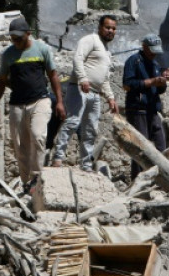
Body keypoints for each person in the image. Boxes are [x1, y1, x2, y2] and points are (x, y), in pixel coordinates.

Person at [0, 15, 65, 191]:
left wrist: (59, 102)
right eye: (12, 39)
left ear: (28, 34)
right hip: (17, 104)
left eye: (19, 38)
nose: (15, 42)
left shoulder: (42, 49)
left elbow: (53, 75)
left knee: (38, 136)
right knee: (20, 145)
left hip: (40, 100)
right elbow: (1, 81)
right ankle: (25, 181)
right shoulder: (8, 55)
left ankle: (36, 179)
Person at [51, 15, 119, 171]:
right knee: (73, 122)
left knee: (91, 129)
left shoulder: (106, 51)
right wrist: (83, 79)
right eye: (108, 27)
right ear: (100, 27)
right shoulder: (90, 40)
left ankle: (86, 164)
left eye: (113, 29)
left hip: (95, 94)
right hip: (79, 88)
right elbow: (78, 59)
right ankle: (58, 157)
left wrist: (110, 97)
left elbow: (105, 79)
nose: (111, 31)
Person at [122, 34, 169, 178]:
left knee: (161, 146)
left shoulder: (155, 65)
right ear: (144, 47)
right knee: (140, 149)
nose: (154, 54)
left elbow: (159, 90)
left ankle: (162, 178)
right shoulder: (134, 61)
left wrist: (162, 81)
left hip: (152, 110)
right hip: (138, 110)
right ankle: (137, 180)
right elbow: (127, 85)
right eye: (152, 50)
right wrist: (151, 82)